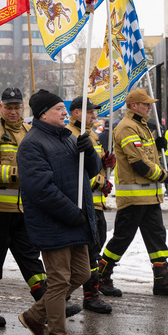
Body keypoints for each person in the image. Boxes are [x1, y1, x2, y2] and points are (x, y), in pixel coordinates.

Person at [0, 88, 77, 327]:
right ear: (1, 107)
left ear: (23, 108)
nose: (13, 111)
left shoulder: (30, 131)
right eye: (8, 107)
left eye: (17, 107)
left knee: (32, 260)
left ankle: (49, 306)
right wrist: (21, 174)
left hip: (24, 211)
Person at [17, 90, 99, 335]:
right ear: (43, 114)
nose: (65, 113)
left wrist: (90, 153)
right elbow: (40, 189)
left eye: (64, 109)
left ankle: (34, 316)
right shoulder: (32, 144)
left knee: (82, 274)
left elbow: (89, 173)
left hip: (75, 220)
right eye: (59, 109)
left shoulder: (67, 137)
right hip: (55, 223)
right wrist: (70, 214)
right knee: (59, 281)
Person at [97, 89, 168, 298]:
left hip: (149, 196)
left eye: (149, 104)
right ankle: (102, 276)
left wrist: (157, 149)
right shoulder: (127, 127)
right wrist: (164, 176)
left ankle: (162, 281)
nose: (149, 107)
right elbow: (138, 163)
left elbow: (146, 156)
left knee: (157, 239)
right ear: (133, 105)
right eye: (145, 104)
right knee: (122, 238)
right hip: (135, 197)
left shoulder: (142, 125)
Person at [66, 97, 113, 315]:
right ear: (76, 112)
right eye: (90, 112)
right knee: (87, 252)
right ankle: (88, 296)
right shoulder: (71, 135)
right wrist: (102, 182)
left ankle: (82, 294)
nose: (94, 115)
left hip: (97, 203)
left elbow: (93, 165)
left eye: (94, 112)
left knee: (95, 247)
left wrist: (105, 162)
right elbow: (76, 173)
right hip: (85, 203)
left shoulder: (91, 134)